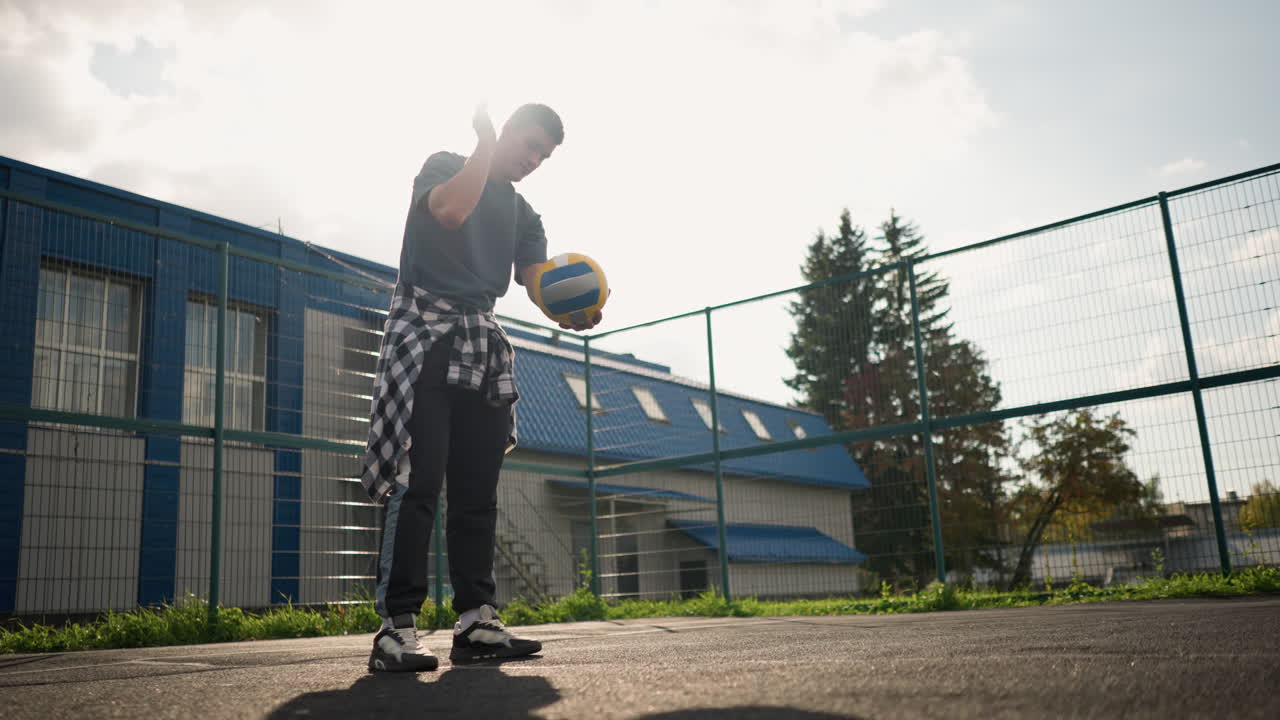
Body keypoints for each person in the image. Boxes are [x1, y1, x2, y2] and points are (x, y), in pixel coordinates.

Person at [361, 103, 603, 672]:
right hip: (423, 333)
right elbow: (448, 211)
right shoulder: (446, 167)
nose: (533, 159)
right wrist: (485, 147)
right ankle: (394, 630)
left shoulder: (525, 215)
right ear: (508, 131)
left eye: (543, 155)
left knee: (476, 493)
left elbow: (536, 281)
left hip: (479, 340)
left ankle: (476, 622)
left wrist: (569, 307)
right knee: (417, 483)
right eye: (529, 145)